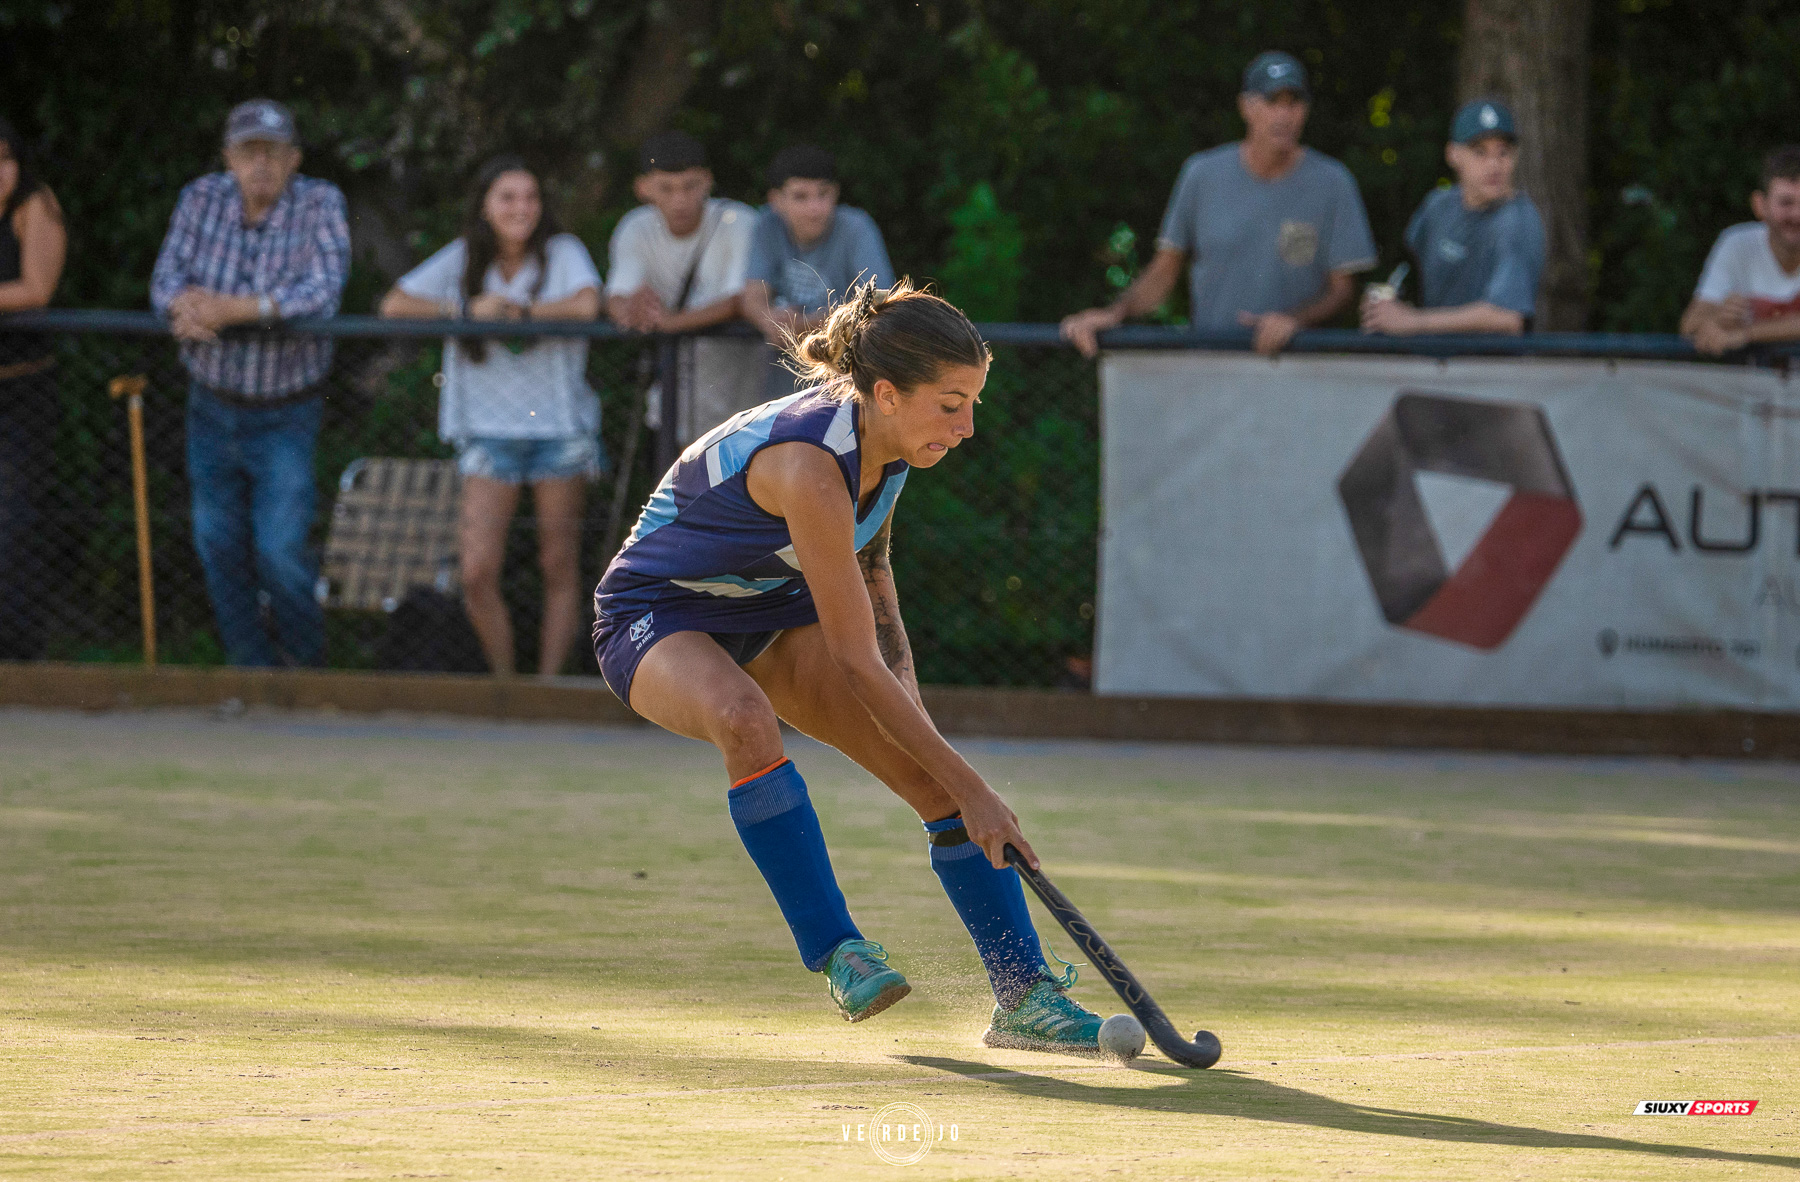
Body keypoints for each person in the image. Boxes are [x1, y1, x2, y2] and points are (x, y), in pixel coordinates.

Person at [591, 280, 1107, 1055]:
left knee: (927, 774)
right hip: (654, 614)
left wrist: (941, 763)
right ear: (889, 394)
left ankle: (1025, 996)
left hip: (767, 612)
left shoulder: (891, 447)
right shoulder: (807, 462)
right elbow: (856, 660)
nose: (967, 428)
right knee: (743, 718)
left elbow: (878, 605)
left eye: (973, 403)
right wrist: (979, 790)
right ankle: (839, 952)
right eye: (951, 403)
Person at [381, 156, 603, 677]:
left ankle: (547, 689)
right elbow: (395, 305)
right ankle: (506, 685)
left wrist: (519, 314)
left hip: (559, 427)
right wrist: (463, 310)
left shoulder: (563, 251)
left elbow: (587, 305)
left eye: (530, 197)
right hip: (486, 430)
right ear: (484, 205)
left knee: (558, 564)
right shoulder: (463, 257)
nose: (521, 208)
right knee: (478, 571)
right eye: (507, 197)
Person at [149, 98, 350, 668]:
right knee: (217, 547)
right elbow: (166, 278)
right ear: (227, 158)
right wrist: (182, 310)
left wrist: (232, 310)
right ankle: (251, 671)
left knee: (281, 550)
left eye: (272, 152)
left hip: (287, 409)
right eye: (248, 151)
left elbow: (322, 292)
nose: (260, 164)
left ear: (294, 159)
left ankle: (307, 671)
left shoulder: (321, 203)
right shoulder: (200, 198)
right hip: (209, 405)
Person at [1061, 51, 1376, 357]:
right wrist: (1115, 313)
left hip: (1300, 364)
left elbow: (1343, 290)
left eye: (1293, 102)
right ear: (1246, 107)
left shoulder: (1333, 182)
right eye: (1271, 101)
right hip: (1214, 365)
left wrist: (1294, 321)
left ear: (1306, 109)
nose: (1283, 115)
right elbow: (1165, 271)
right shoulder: (1202, 175)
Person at [605, 131, 762, 442]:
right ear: (644, 188)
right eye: (666, 188)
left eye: (690, 186)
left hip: (744, 405)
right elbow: (617, 295)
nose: (680, 200)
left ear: (707, 181)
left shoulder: (739, 221)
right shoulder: (635, 227)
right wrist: (631, 311)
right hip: (671, 406)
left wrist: (667, 323)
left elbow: (739, 300)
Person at [1363, 98, 1545, 336]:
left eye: (1503, 153)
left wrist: (1414, 322)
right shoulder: (1438, 205)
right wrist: (1383, 307)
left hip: (1493, 368)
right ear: (1453, 154)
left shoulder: (1519, 220)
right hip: (1433, 364)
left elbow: (1507, 317)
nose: (1494, 164)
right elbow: (1403, 269)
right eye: (1480, 152)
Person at [742, 145, 894, 394]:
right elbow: (752, 297)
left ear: (835, 193)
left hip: (850, 381)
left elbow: (880, 299)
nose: (815, 208)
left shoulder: (856, 226)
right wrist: (770, 322)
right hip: (783, 382)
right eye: (801, 196)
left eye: (823, 194)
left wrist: (799, 325)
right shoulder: (766, 225)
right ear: (776, 200)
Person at [0, 116, 67, 660]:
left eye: (5, 160)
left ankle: (19, 654)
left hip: (20, 393)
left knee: (14, 522)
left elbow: (35, 289)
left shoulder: (35, 205)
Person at [1682, 146, 1800, 356]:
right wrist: (1718, 319)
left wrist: (1744, 334)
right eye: (1786, 203)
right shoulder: (1737, 243)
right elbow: (1690, 326)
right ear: (1760, 205)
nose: (1797, 215)